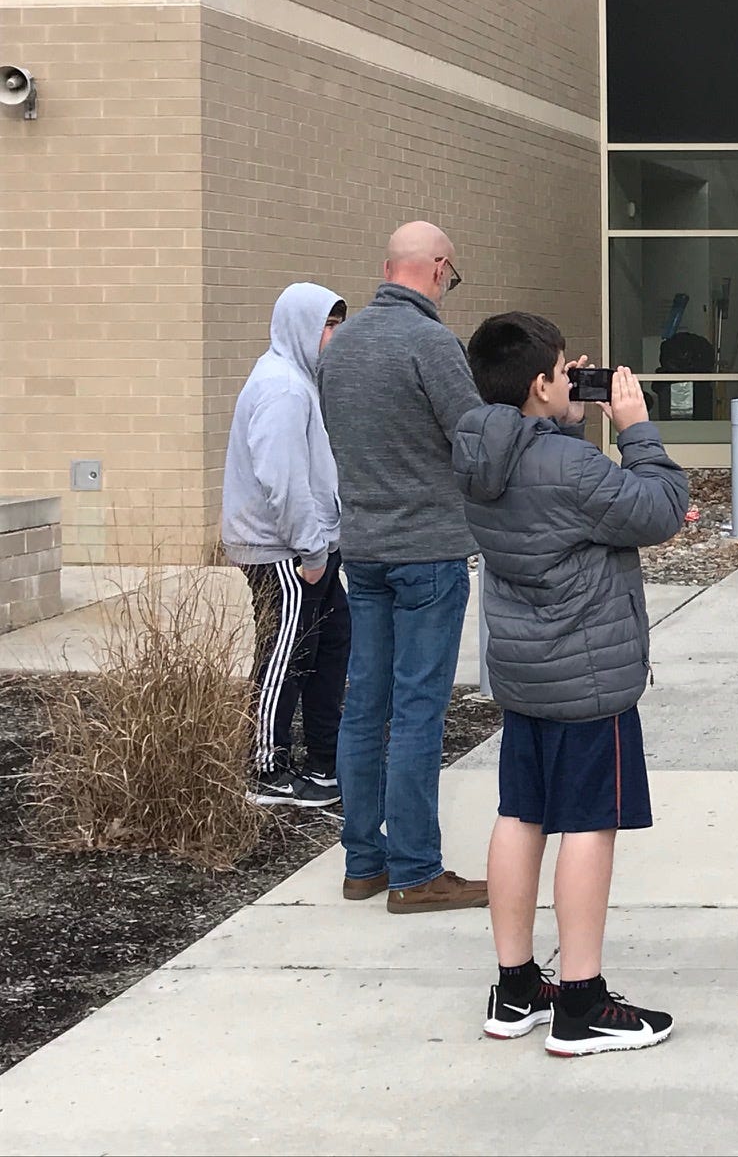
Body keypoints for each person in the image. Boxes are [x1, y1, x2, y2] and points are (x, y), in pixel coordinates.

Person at [452, 313, 686, 1056]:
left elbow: (560, 501)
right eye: (562, 371)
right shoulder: (569, 467)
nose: (572, 377)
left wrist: (567, 418)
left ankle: (515, 986)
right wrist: (638, 429)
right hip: (587, 672)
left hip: (524, 670)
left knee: (521, 813)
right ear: (539, 385)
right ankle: (582, 1002)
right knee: (589, 822)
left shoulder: (479, 452)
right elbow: (661, 508)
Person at [318, 222, 488, 913]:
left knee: (364, 705)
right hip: (428, 551)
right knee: (419, 710)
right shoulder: (433, 344)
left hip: (364, 548)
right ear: (439, 268)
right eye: (451, 275)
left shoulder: (340, 346)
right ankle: (417, 871)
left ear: (389, 267)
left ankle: (365, 863)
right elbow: (474, 437)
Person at [221, 283, 350, 808]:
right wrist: (312, 550)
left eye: (338, 325)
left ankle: (324, 763)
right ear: (301, 326)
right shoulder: (284, 388)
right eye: (328, 326)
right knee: (284, 654)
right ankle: (264, 768)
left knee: (332, 642)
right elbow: (284, 479)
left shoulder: (297, 379)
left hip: (306, 546)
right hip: (284, 552)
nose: (334, 337)